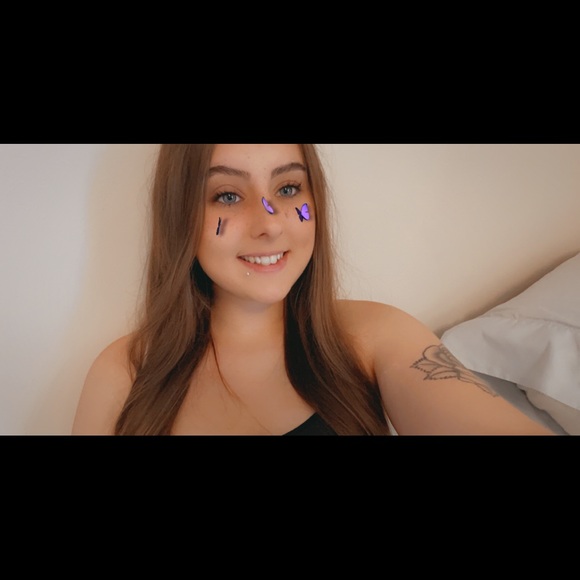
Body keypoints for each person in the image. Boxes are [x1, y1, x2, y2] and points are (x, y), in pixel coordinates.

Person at [71, 144, 554, 435]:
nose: (270, 224)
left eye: (287, 189)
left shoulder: (374, 336)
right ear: (180, 214)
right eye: (228, 195)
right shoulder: (125, 372)